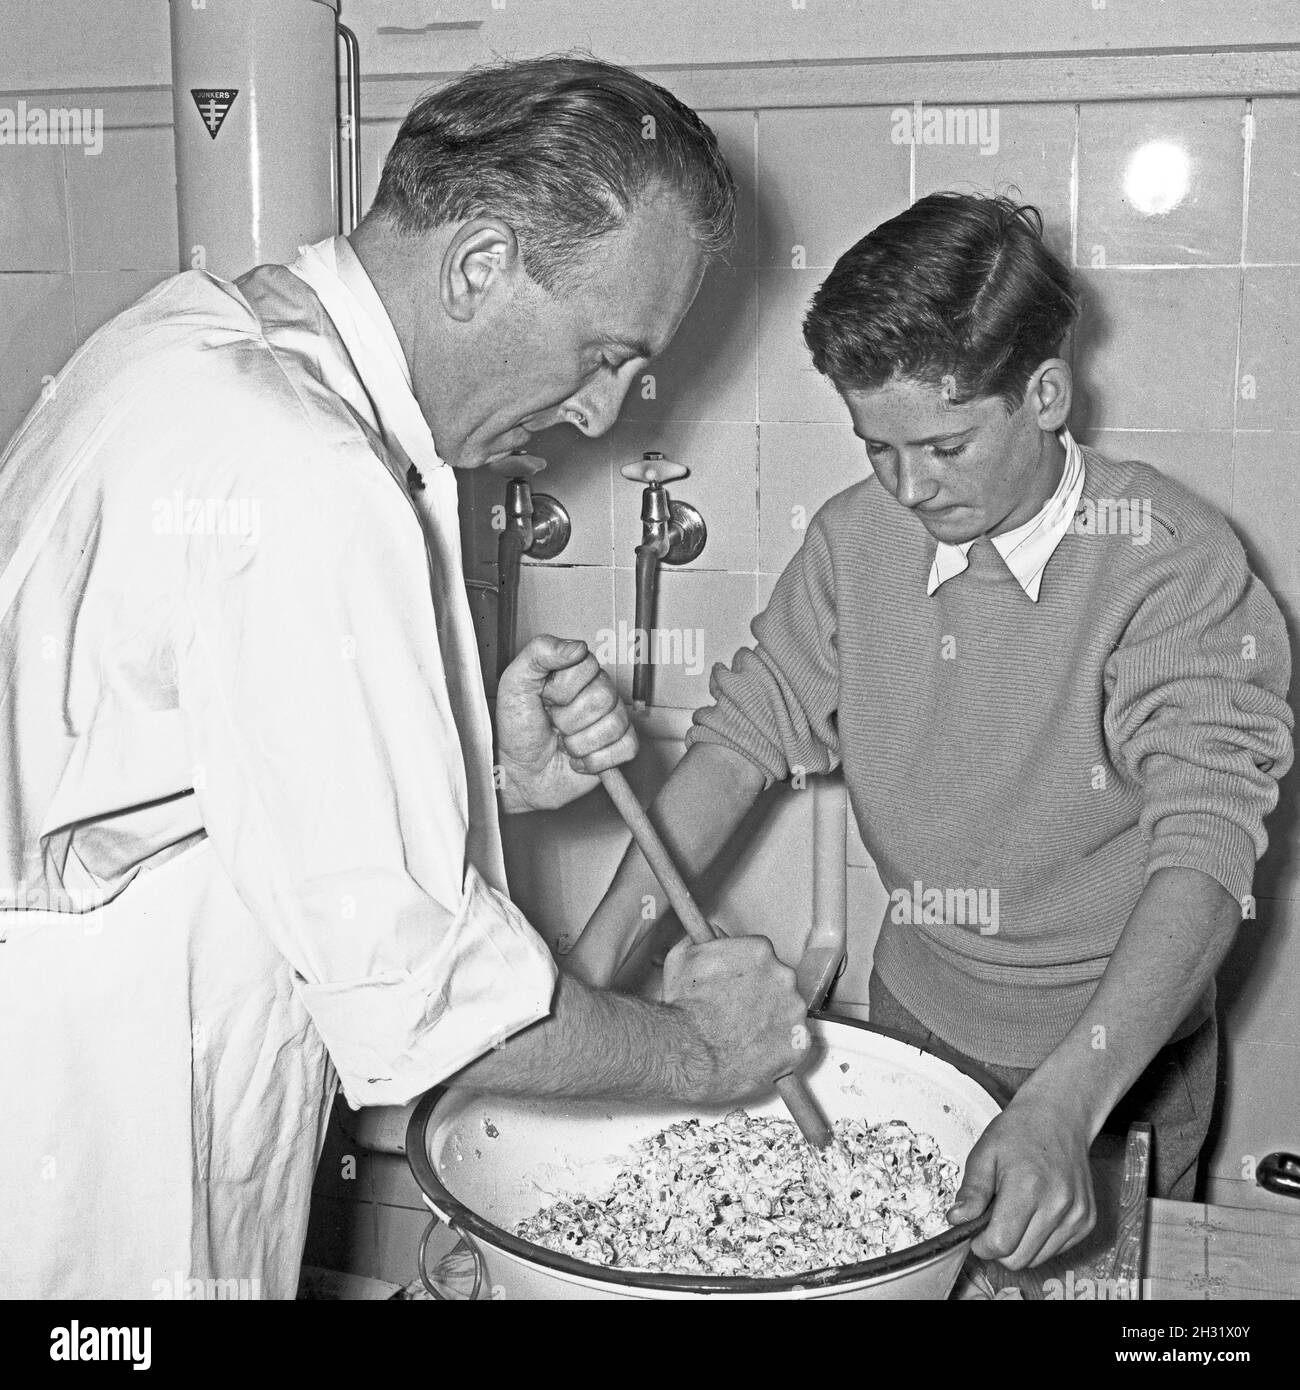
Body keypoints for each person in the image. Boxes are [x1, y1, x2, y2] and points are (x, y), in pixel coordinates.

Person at [0, 56, 808, 1299]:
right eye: (603, 354)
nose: (600, 416)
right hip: (99, 1135)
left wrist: (480, 762)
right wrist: (706, 1053)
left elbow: (206, 759)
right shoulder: (303, 470)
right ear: (479, 264)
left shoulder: (185, 344)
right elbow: (430, 1008)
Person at [568, 192, 1294, 1272]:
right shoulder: (856, 542)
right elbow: (739, 742)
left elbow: (1205, 849)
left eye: (945, 445)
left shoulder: (1172, 562)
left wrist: (1067, 1101)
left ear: (1045, 394)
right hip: (919, 1019)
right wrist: (580, 976)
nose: (909, 487)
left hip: (1114, 1052)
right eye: (877, 448)